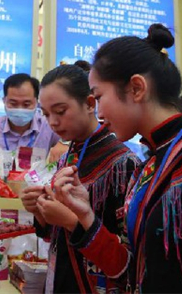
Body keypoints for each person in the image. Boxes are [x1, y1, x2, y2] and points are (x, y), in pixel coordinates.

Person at [54, 24, 182, 293]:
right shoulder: (150, 166)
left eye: (99, 96)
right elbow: (134, 273)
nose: (99, 112)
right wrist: (85, 215)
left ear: (136, 88)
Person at [20, 65, 139, 293]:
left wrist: (71, 221)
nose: (53, 122)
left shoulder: (123, 164)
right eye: (46, 114)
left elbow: (130, 260)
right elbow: (55, 236)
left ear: (90, 104)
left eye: (60, 111)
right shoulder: (68, 156)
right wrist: (40, 211)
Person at [0, 73, 60, 155]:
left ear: (36, 102)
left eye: (26, 104)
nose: (20, 109)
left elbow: (67, 138)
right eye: (13, 104)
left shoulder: (49, 126)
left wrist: (64, 144)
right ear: (4, 101)